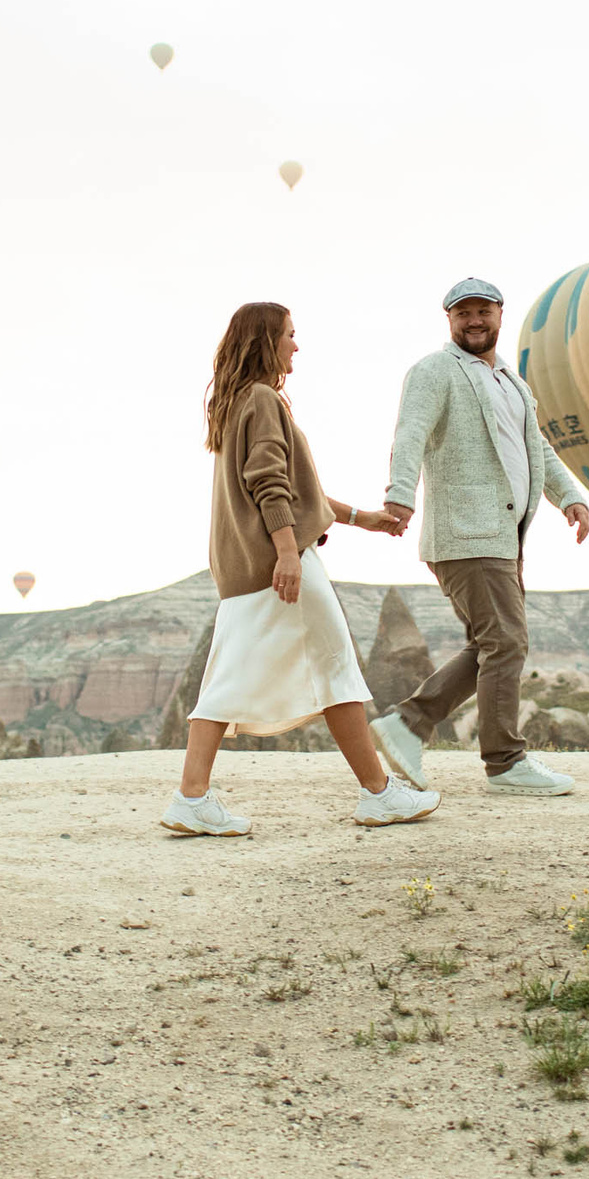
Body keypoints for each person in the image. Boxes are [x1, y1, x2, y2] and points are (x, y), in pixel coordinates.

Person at [163, 301, 444, 837]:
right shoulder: (264, 399)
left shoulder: (236, 404)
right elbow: (269, 482)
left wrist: (363, 519)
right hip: (280, 563)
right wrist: (290, 553)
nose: (297, 345)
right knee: (337, 670)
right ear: (268, 341)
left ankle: (191, 797)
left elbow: (297, 489)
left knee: (229, 680)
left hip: (243, 567)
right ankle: (379, 794)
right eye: (291, 335)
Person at [371, 277, 589, 796]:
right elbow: (410, 433)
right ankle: (504, 761)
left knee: (490, 644)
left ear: (499, 315)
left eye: (483, 311)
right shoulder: (434, 371)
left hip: (503, 534)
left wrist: (572, 497)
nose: (474, 320)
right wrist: (399, 494)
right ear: (449, 319)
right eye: (462, 312)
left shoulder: (512, 383)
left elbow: (537, 447)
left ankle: (405, 726)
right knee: (507, 641)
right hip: (467, 532)